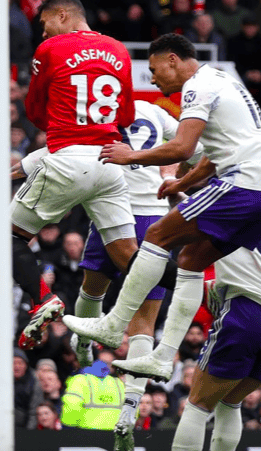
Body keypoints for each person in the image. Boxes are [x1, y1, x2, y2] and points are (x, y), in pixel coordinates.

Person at [66, 34, 261, 382]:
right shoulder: (221, 80)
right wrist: (182, 183)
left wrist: (132, 155)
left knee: (157, 235)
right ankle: (162, 358)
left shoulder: (197, 87)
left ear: (173, 59)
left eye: (155, 70)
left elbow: (183, 148)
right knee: (190, 261)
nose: (153, 80)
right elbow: (214, 153)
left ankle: (113, 324)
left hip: (244, 185)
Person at [18, 98, 200, 445]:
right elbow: (189, 147)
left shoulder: (98, 112)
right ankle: (130, 406)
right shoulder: (154, 110)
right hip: (155, 217)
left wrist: (17, 170)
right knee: (144, 321)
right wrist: (171, 174)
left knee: (93, 288)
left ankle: (83, 343)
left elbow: (61, 151)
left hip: (114, 210)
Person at [170, 139, 261, 451]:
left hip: (244, 314)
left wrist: (177, 186)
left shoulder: (245, 197)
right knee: (230, 403)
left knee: (197, 404)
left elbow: (191, 219)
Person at [12, 0, 136, 349]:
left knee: (5, 239)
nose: (43, 32)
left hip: (68, 160)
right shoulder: (118, 49)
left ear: (63, 15)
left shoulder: (50, 49)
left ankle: (43, 299)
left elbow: (35, 112)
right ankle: (196, 285)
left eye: (45, 22)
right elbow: (126, 115)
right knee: (132, 257)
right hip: (110, 162)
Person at [61, 360, 125, 430]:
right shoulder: (118, 383)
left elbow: (73, 404)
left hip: (86, 432)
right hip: (116, 432)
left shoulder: (79, 380)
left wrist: (68, 426)